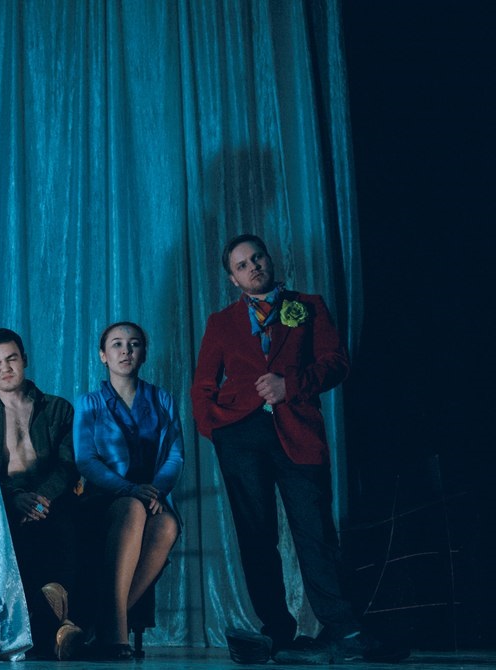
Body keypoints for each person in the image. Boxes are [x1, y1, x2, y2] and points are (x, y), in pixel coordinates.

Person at [191, 234, 390, 665]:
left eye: (256, 257)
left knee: (315, 532)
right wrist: (219, 431)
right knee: (256, 536)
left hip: (298, 430)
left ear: (269, 258)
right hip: (240, 437)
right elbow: (203, 385)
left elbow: (336, 363)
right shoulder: (221, 322)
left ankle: (345, 630)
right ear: (233, 278)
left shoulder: (309, 306)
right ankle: (277, 632)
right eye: (242, 265)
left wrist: (291, 386)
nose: (253, 267)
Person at [0, 328, 84, 660]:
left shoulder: (58, 409)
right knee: (4, 534)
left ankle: (46, 629)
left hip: (54, 502)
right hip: (5, 506)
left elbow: (68, 465)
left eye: (12, 358)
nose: (6, 368)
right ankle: (61, 627)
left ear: (24, 360)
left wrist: (41, 499)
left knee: (65, 524)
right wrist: (16, 499)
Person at [73, 321, 183, 661]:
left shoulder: (162, 399)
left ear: (144, 353)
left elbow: (175, 455)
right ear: (103, 355)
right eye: (117, 344)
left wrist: (155, 491)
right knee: (133, 508)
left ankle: (99, 627)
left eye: (134, 344)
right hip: (103, 498)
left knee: (168, 525)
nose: (126, 350)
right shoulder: (89, 403)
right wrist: (130, 489)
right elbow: (86, 460)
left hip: (151, 498)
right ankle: (116, 637)